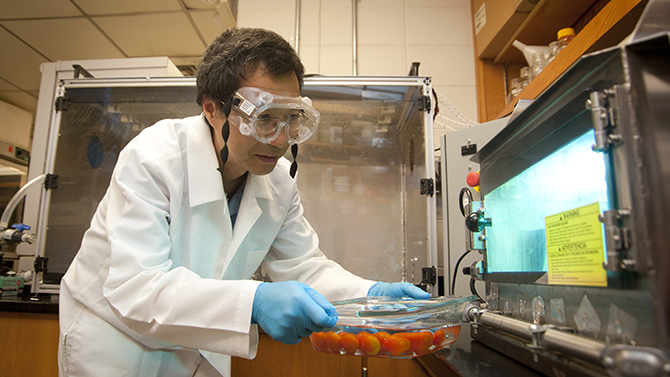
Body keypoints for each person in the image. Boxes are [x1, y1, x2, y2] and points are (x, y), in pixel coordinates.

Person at [57, 27, 428, 377]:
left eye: (292, 119)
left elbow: (305, 269)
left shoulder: (278, 182)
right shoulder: (154, 159)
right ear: (211, 108)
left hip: (196, 348)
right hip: (116, 346)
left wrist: (371, 295)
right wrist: (254, 302)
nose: (281, 140)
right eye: (264, 119)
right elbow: (136, 287)